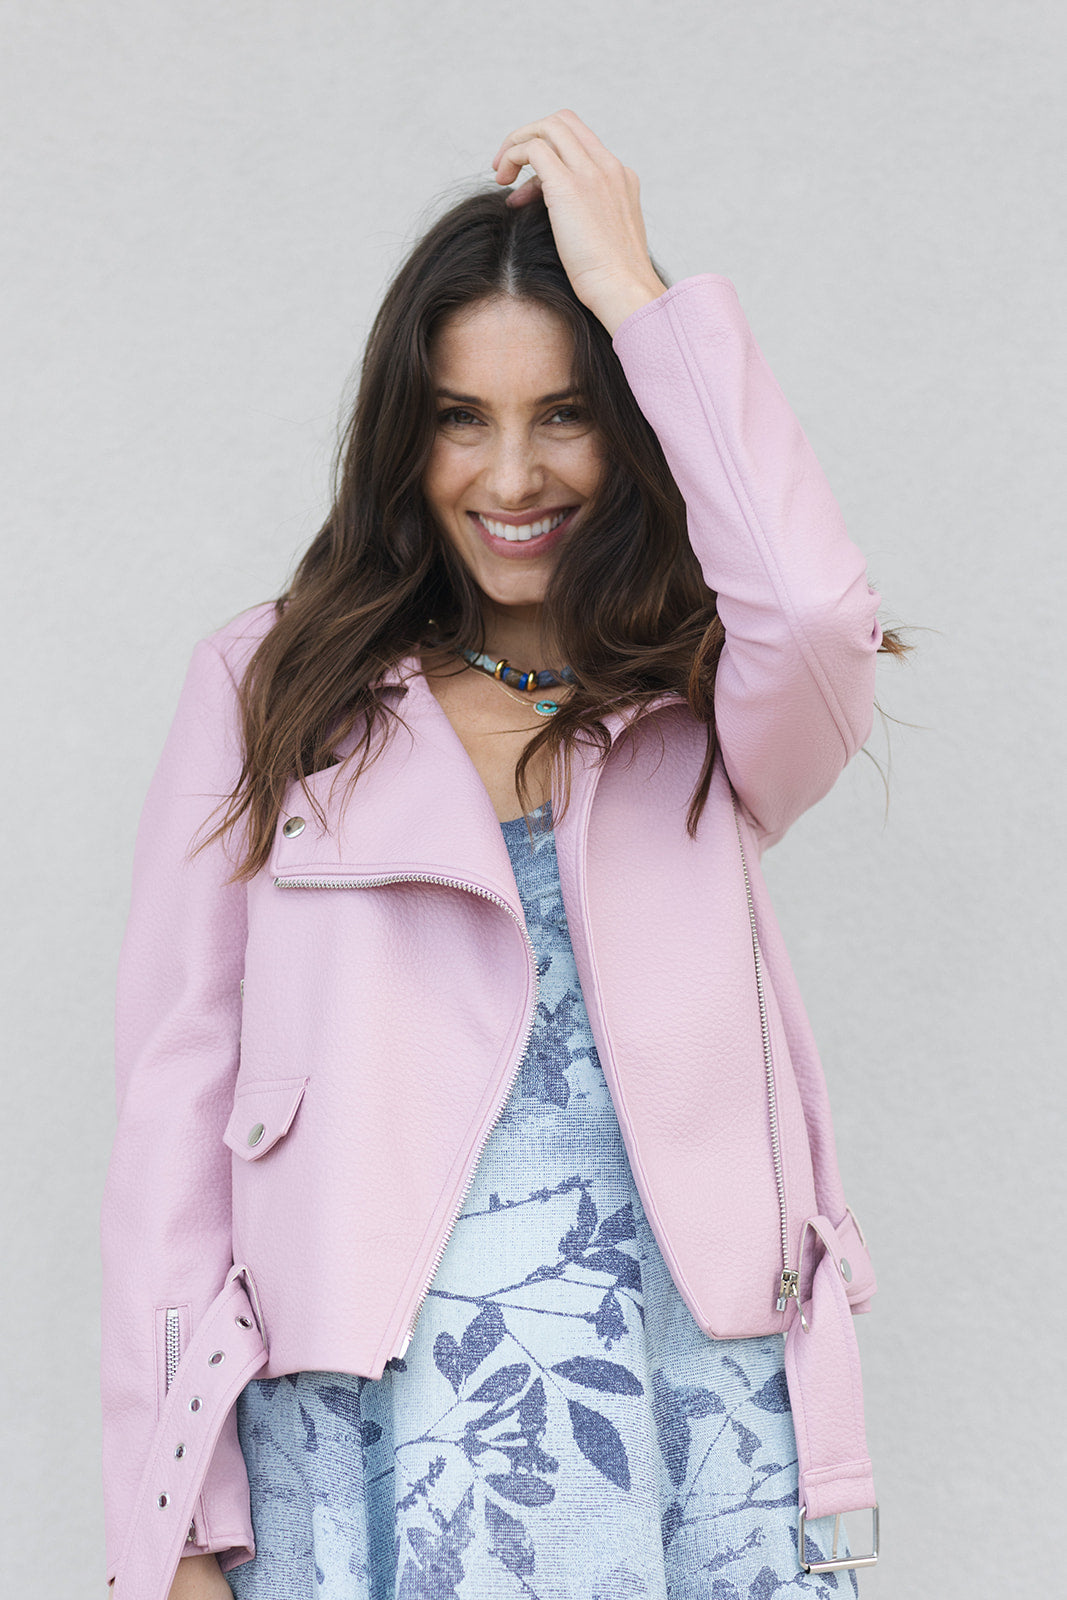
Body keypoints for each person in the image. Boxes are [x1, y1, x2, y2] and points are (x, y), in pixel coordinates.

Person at [101, 110, 902, 1600]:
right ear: (406, 435)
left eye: (566, 413)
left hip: (691, 1413)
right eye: (462, 416)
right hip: (370, 1435)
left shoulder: (709, 704)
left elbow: (817, 617)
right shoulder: (271, 694)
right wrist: (176, 1521)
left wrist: (640, 300)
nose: (513, 475)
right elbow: (174, 1124)